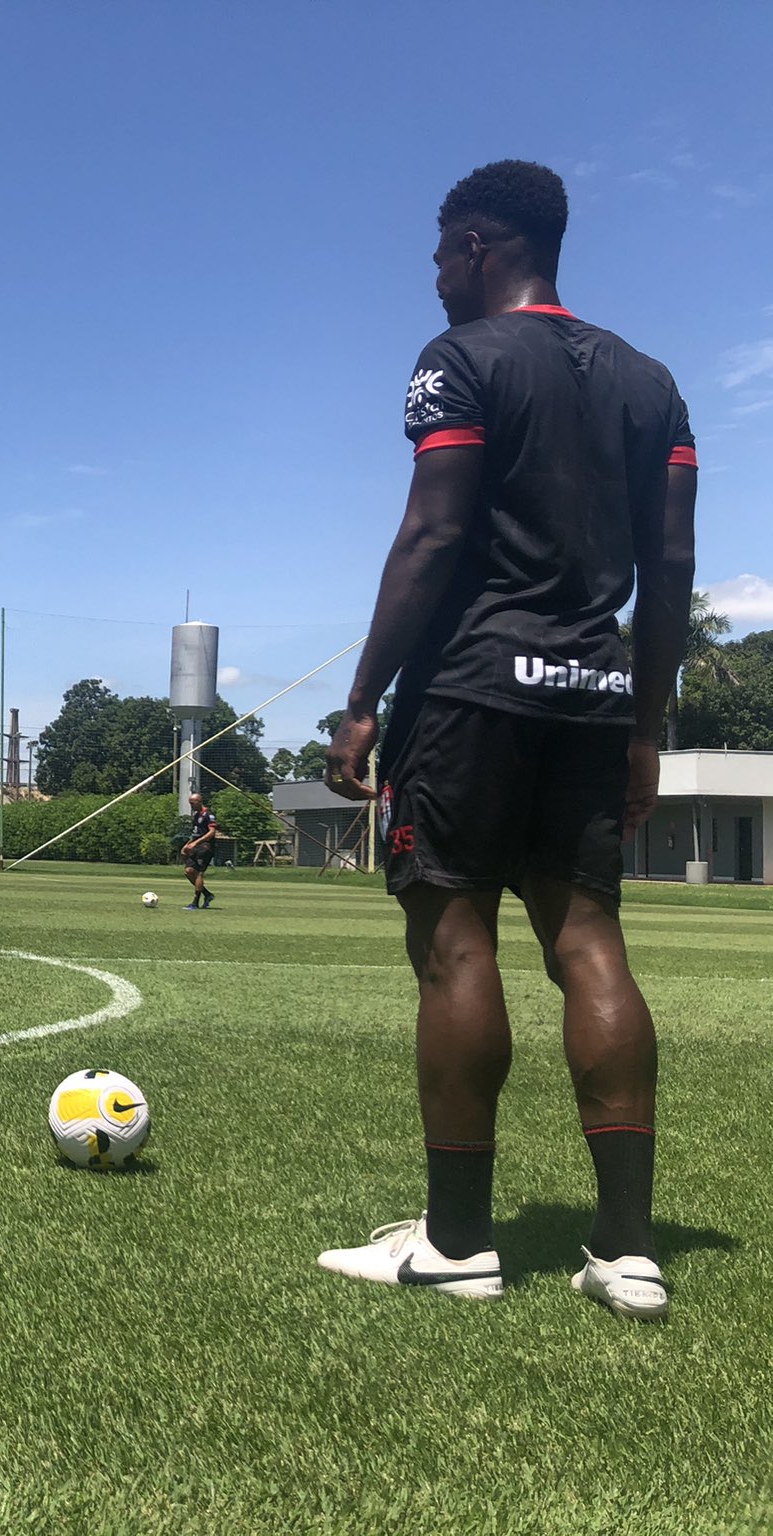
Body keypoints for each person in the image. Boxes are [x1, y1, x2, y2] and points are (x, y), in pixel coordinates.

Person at [318, 161, 696, 1321]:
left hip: (471, 691)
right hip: (591, 694)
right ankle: (624, 1250)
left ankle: (456, 1245)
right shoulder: (651, 382)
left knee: (453, 945)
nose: (433, 276)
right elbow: (669, 570)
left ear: (478, 246)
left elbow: (431, 535)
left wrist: (362, 699)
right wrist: (643, 728)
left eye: (440, 254)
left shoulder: (459, 359)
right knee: (588, 944)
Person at [178, 792, 220, 910]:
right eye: (190, 803)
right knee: (189, 871)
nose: (191, 806)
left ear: (199, 801)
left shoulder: (209, 815)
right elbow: (195, 834)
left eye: (192, 803)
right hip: (196, 846)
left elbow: (212, 832)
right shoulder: (196, 816)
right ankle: (207, 894)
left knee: (198, 873)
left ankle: (195, 903)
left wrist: (195, 843)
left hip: (206, 847)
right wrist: (186, 845)